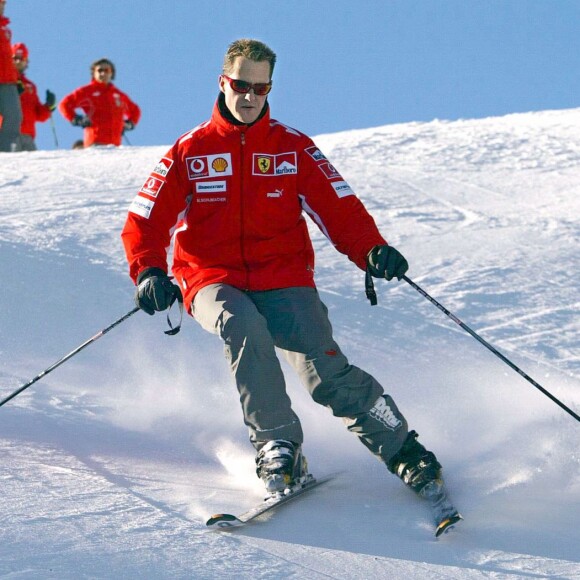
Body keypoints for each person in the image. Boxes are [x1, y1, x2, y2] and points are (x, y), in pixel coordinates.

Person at [121, 39, 460, 533]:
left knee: (326, 374)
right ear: (223, 82)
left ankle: (406, 451)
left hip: (285, 279)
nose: (250, 96)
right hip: (211, 277)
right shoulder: (191, 151)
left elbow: (340, 209)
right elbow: (145, 219)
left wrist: (371, 249)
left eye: (261, 87)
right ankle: (278, 447)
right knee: (242, 327)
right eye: (241, 85)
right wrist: (150, 270)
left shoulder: (293, 147)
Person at [58, 58, 140, 148]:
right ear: (94, 73)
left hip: (115, 145)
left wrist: (130, 124)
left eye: (107, 70)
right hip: (95, 143)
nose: (103, 73)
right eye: (99, 70)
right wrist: (76, 119)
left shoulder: (118, 95)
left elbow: (135, 110)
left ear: (111, 73)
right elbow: (64, 104)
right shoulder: (87, 91)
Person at [11, 42, 55, 151]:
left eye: (21, 59)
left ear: (26, 62)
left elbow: (39, 115)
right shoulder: (4, 81)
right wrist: (13, 94)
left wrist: (49, 106)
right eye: (15, 58)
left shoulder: (30, 86)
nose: (18, 61)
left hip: (28, 136)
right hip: (8, 134)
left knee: (32, 166)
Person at [0, 0, 22, 152]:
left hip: (8, 81)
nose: (1, 6)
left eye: (2, 3)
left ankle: (6, 151)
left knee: (14, 116)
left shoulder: (6, 28)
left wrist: (15, 78)